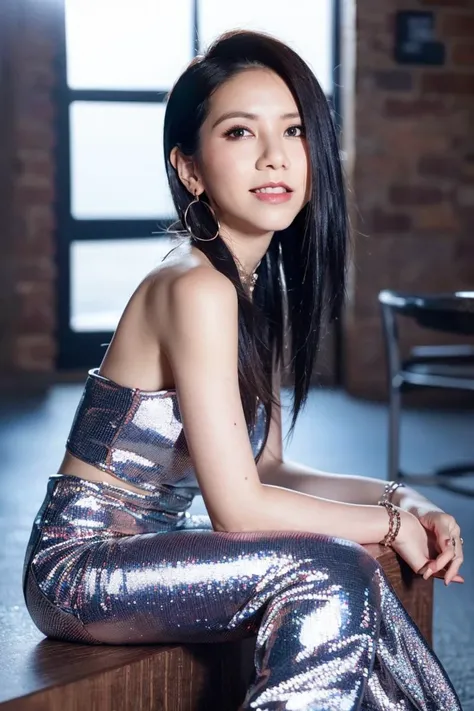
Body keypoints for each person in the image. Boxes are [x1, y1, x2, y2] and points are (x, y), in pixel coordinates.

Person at [22, 29, 464, 711]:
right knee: (335, 569)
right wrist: (382, 522)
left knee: (357, 577)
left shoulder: (254, 290)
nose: (274, 156)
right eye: (238, 133)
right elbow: (239, 508)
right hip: (82, 568)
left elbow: (268, 470)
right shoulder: (194, 287)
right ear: (190, 169)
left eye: (292, 130)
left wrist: (401, 497)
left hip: (156, 552)